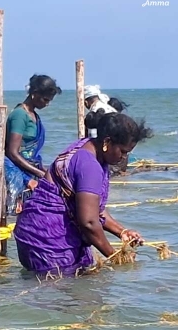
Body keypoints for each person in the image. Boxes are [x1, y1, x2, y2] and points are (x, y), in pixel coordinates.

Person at [13, 112, 153, 277]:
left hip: (38, 233)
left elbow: (94, 208)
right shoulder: (89, 165)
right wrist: (116, 256)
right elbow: (88, 222)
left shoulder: (87, 148)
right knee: (59, 297)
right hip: (48, 241)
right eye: (122, 151)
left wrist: (121, 231)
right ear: (107, 142)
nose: (124, 157)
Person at [5, 74, 62, 186]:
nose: (47, 104)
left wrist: (46, 171)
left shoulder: (34, 116)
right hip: (17, 171)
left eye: (49, 101)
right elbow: (12, 153)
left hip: (30, 168)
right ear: (34, 94)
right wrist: (39, 173)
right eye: (45, 100)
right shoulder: (20, 115)